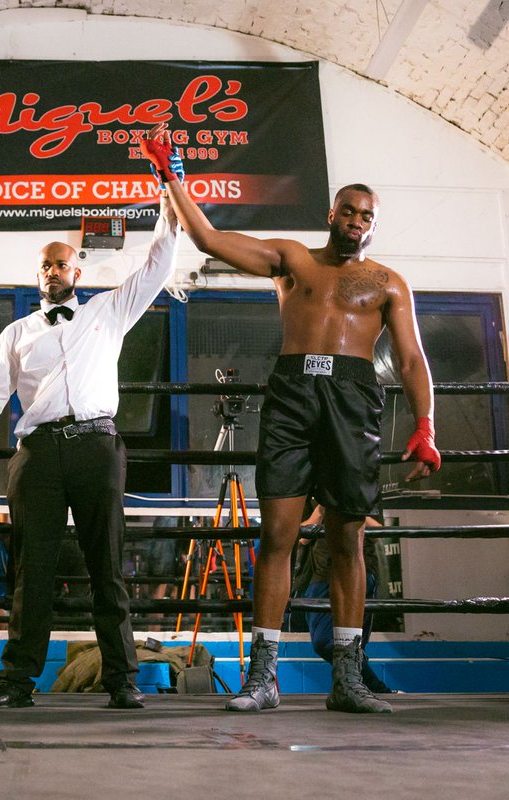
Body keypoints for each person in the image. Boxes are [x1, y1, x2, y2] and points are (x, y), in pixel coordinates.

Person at [142, 125, 440, 714]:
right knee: (276, 535)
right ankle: (264, 679)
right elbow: (206, 238)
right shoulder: (290, 258)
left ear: (373, 225)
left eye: (367, 216)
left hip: (353, 398)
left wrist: (426, 424)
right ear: (332, 212)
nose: (357, 221)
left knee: (347, 539)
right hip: (293, 392)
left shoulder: (387, 283)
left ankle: (347, 681)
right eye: (349, 210)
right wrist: (169, 170)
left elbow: (409, 358)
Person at [0, 183, 180, 710]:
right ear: (37, 274)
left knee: (108, 568)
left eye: (61, 263)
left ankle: (121, 680)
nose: (52, 271)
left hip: (96, 446)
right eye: (45, 265)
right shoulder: (16, 333)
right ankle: (19, 681)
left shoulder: (108, 312)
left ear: (77, 273)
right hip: (39, 454)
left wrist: (168, 190)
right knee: (32, 571)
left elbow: (160, 261)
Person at [295, 504, 393, 694]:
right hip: (321, 576)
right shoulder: (315, 495)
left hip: (358, 574)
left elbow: (379, 533)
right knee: (323, 642)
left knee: (355, 644)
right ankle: (375, 688)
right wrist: (323, 509)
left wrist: (349, 513)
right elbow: (303, 538)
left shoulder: (362, 490)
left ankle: (356, 688)